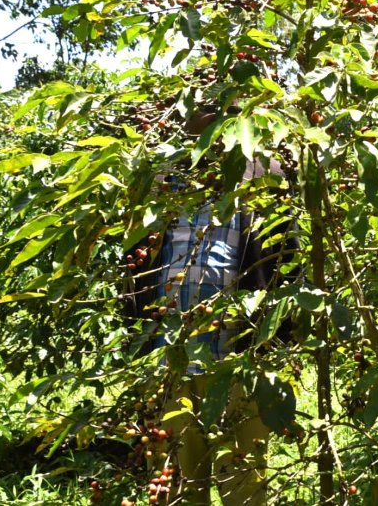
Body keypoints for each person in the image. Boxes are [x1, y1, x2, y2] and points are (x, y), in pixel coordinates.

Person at [127, 105, 296, 505]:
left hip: (237, 359)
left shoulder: (263, 175)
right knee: (178, 483)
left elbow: (284, 261)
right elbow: (137, 257)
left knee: (245, 481)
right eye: (201, 126)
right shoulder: (165, 179)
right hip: (170, 358)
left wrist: (278, 340)